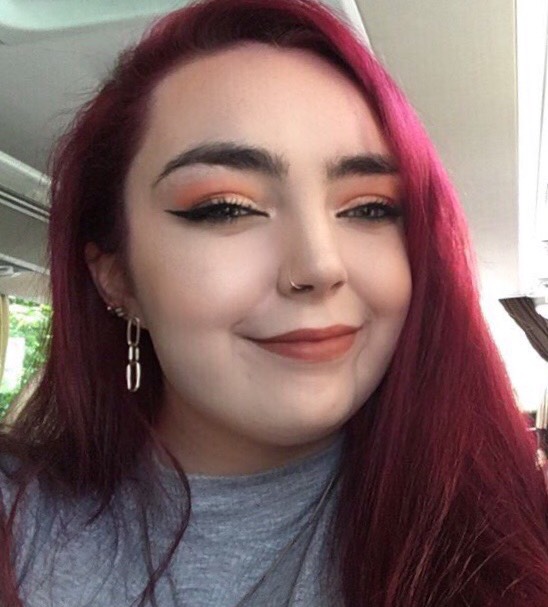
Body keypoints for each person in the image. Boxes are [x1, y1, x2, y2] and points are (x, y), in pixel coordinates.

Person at [0, 0, 547, 605]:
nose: (320, 266)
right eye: (225, 208)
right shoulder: (18, 520)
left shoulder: (512, 537)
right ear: (117, 280)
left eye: (369, 208)